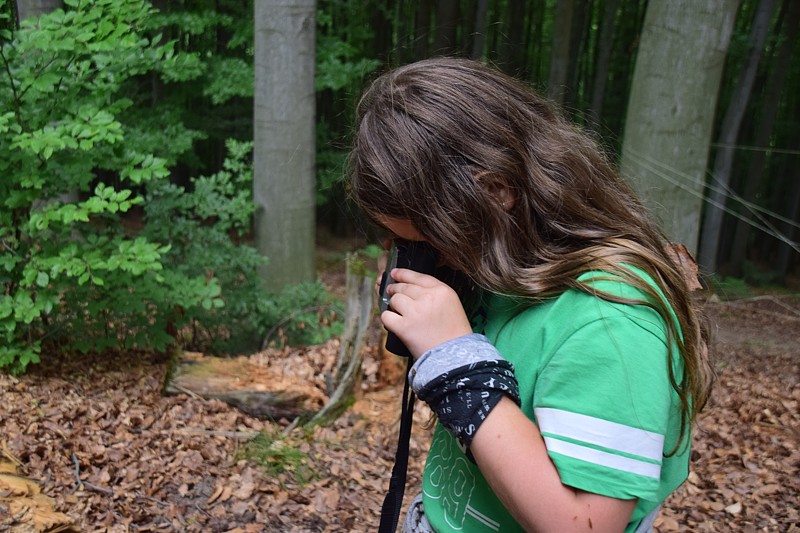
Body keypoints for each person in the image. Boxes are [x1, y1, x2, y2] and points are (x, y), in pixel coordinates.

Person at [347, 57, 712, 533]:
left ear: (495, 192)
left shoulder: (612, 320)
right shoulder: (509, 277)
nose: (420, 259)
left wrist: (454, 361)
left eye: (430, 243)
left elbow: (585, 523)